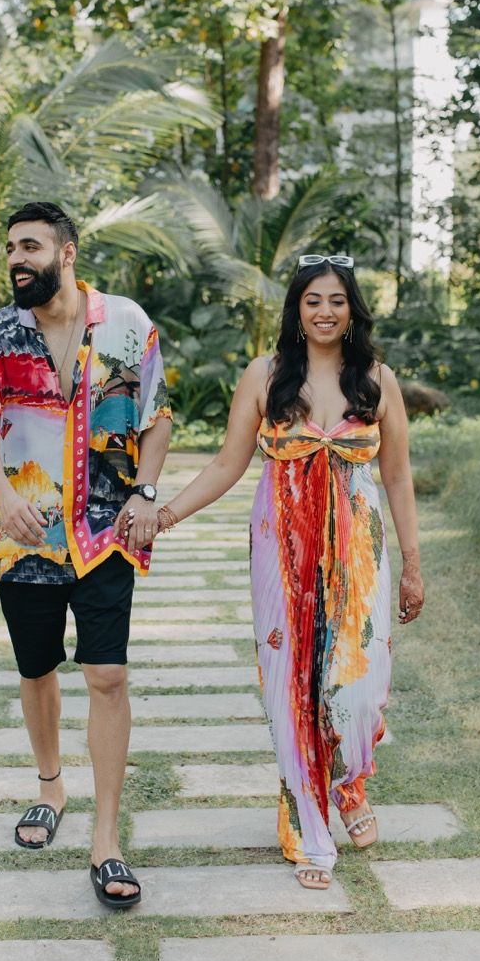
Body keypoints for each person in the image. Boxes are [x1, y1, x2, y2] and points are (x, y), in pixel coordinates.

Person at [123, 254, 424, 889]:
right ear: (296, 308)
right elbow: (228, 464)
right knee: (292, 686)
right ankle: (308, 827)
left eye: (336, 301)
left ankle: (348, 785)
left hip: (359, 556)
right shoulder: (265, 375)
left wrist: (413, 569)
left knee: (357, 689)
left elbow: (396, 475)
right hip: (281, 552)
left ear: (352, 310)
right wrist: (165, 513)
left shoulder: (377, 379)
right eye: (312, 300)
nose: (324, 311)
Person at [0, 201, 172, 909]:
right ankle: (50, 785)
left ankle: (105, 839)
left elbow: (156, 417)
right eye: (11, 248)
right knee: (36, 667)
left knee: (106, 674)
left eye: (30, 247)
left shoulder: (128, 325)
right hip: (26, 535)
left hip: (107, 531)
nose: (16, 259)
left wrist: (146, 492)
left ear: (66, 253)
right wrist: (1, 498)